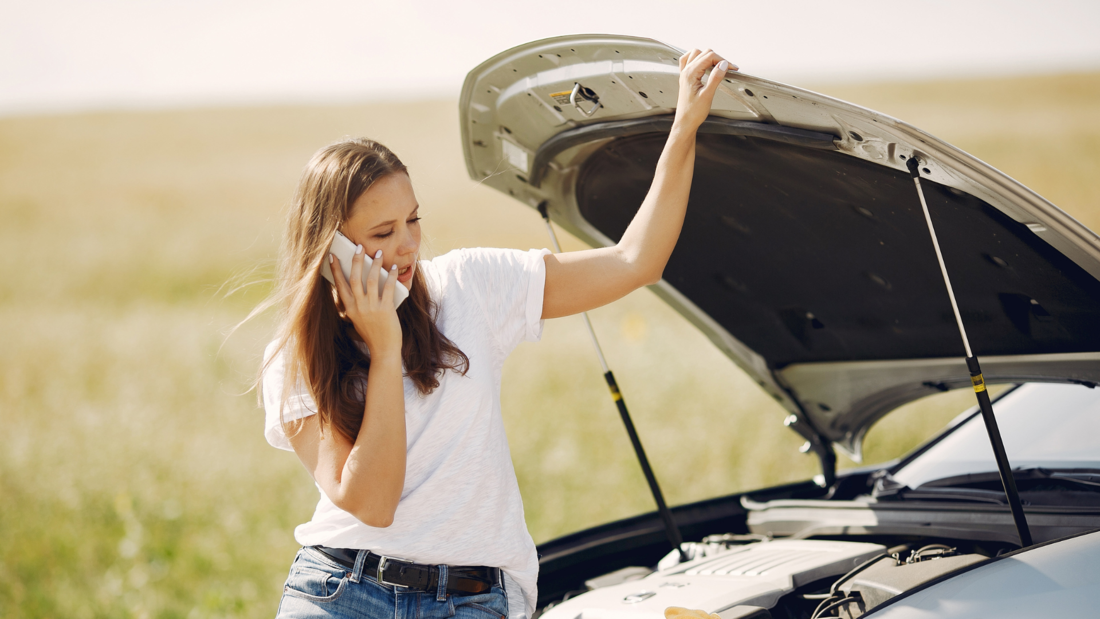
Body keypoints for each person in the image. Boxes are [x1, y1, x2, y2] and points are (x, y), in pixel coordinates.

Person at [261, 48, 734, 619]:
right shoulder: (294, 356)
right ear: (330, 248)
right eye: (383, 231)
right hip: (341, 590)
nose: (409, 244)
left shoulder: (469, 286)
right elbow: (373, 503)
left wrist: (684, 128)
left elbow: (636, 261)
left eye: (413, 219)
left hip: (473, 599)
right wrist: (384, 349)